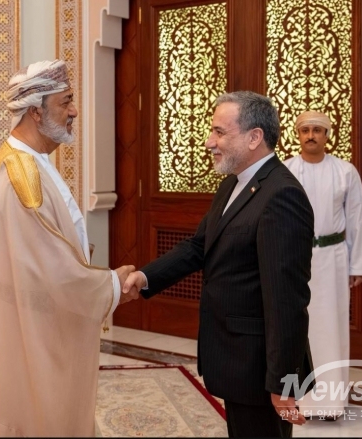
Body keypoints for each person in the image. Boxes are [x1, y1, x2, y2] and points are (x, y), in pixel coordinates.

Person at [123, 91, 315, 438]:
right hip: (235, 359)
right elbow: (200, 246)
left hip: (259, 368)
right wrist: (145, 276)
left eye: (219, 132)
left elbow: (287, 302)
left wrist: (283, 383)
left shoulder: (281, 195)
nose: (209, 142)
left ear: (254, 137)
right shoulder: (234, 183)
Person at [0, 59, 136, 437]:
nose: (74, 111)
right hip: (39, 328)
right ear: (35, 111)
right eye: (66, 102)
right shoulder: (22, 175)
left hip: (35, 316)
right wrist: (113, 285)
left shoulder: (23, 159)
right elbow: (53, 270)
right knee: (41, 413)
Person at [284, 110, 362, 420]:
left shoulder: (345, 172)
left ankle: (332, 404)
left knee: (332, 329)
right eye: (305, 130)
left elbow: (357, 219)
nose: (311, 135)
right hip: (295, 260)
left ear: (327, 135)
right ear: (298, 134)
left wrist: (358, 265)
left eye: (317, 130)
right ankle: (300, 401)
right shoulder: (285, 171)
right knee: (298, 329)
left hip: (334, 259)